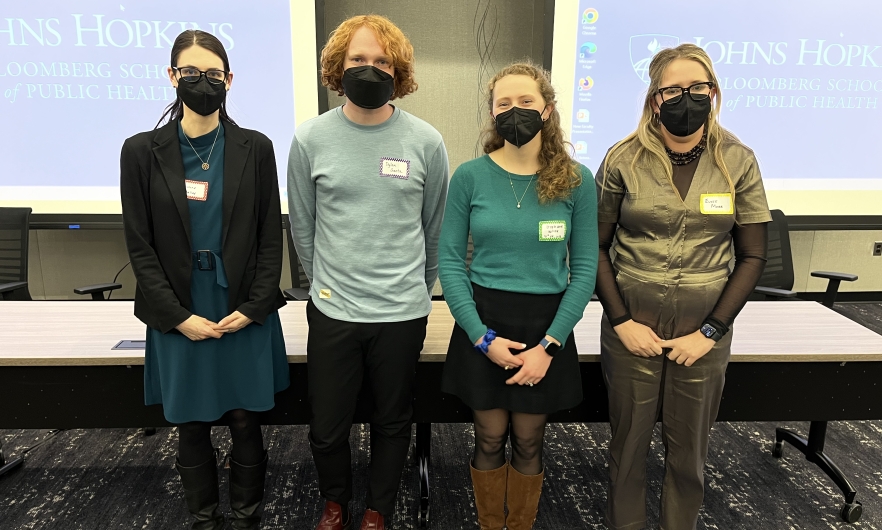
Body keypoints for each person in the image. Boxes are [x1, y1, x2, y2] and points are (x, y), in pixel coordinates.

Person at [594, 43, 771, 530]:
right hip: (632, 328)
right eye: (672, 89)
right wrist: (622, 322)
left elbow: (753, 255)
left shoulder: (737, 159)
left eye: (697, 88)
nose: (685, 98)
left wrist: (711, 332)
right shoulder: (622, 159)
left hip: (703, 330)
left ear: (713, 93)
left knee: (689, 452)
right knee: (626, 450)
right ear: (655, 98)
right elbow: (595, 249)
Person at [120, 29, 289, 530]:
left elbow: (268, 235)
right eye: (190, 73)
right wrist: (176, 318)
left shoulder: (255, 147)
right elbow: (139, 245)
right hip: (177, 304)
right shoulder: (140, 151)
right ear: (172, 76)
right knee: (191, 421)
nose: (202, 82)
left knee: (244, 416)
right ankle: (202, 512)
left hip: (242, 303)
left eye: (213, 74)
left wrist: (258, 305)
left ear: (230, 80)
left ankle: (247, 510)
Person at [286, 15, 449, 530]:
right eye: (359, 59)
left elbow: (435, 230)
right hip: (333, 308)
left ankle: (378, 508)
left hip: (402, 311)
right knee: (327, 426)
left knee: (392, 420)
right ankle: (335, 501)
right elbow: (304, 226)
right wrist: (324, 283)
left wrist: (415, 288)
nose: (370, 69)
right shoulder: (311, 138)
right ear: (338, 66)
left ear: (398, 70)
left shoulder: (425, 141)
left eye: (382, 61)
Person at [439, 62, 598, 530]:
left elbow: (584, 270)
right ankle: (491, 523)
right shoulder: (469, 176)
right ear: (492, 114)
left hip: (546, 327)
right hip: (482, 320)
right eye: (503, 103)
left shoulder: (576, 180)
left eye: (525, 101)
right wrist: (481, 337)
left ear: (546, 110)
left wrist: (550, 346)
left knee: (530, 440)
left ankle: (521, 524)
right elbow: (450, 264)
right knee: (489, 436)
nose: (514, 111)